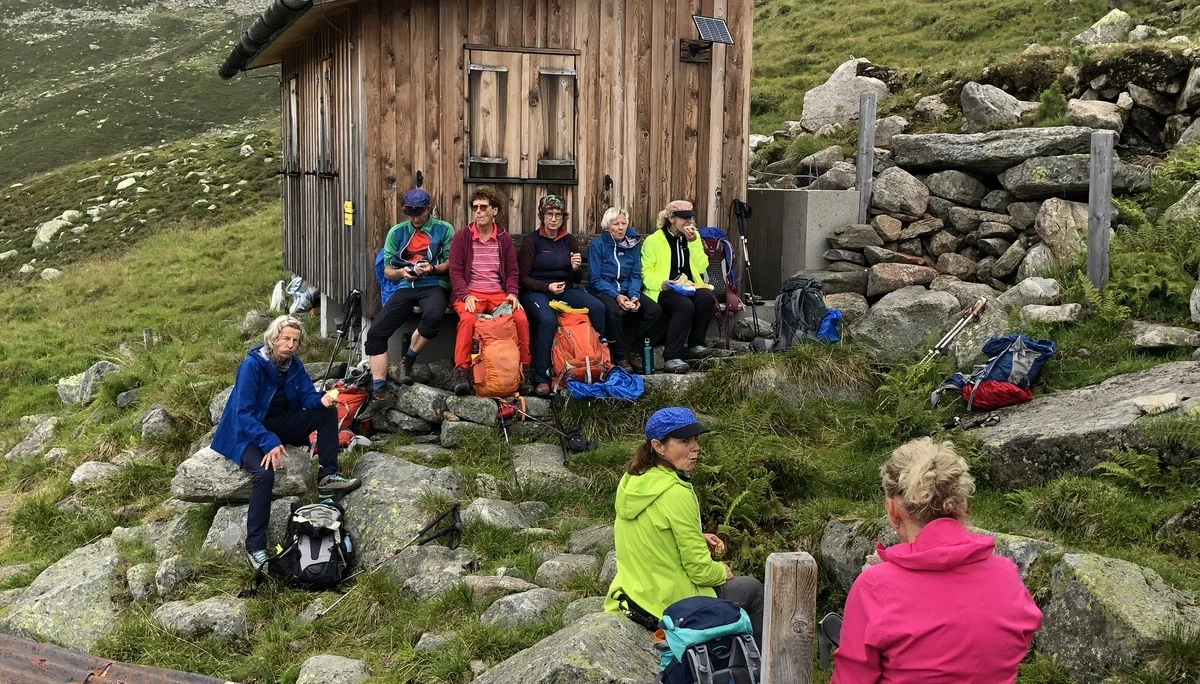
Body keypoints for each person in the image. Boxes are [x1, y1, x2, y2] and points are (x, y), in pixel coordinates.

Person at [831, 438, 1042, 684]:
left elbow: (851, 679)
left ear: (893, 509)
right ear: (962, 504)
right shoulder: (1006, 575)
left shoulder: (874, 586)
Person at [211, 315, 362, 571]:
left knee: (326, 412)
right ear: (273, 338)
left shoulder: (293, 365)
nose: (290, 344)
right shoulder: (252, 365)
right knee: (264, 474)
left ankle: (327, 477)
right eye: (285, 339)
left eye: (295, 340)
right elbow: (243, 413)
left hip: (277, 425)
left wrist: (321, 400)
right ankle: (255, 546)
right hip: (246, 432)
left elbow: (306, 395)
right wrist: (268, 441)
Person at [605, 407, 764, 646]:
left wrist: (696, 536)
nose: (696, 447)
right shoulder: (676, 493)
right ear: (659, 446)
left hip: (632, 596)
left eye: (695, 439)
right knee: (752, 588)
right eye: (684, 440)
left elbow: (654, 531)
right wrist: (721, 571)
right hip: (669, 603)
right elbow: (699, 570)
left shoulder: (633, 481)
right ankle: (757, 669)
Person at [360, 188, 454, 419]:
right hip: (406, 285)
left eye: (418, 213)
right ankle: (380, 391)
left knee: (433, 316)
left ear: (428, 209)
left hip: (434, 283)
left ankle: (407, 360)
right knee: (376, 333)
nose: (414, 218)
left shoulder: (444, 229)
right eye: (410, 214)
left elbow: (451, 262)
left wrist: (431, 268)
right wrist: (403, 272)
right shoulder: (397, 232)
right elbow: (388, 270)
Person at [518, 195, 606, 395]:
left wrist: (575, 268)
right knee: (547, 321)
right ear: (542, 216)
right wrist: (546, 287)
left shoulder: (569, 240)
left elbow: (576, 279)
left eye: (558, 215)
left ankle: (598, 362)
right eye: (549, 214)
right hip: (536, 291)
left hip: (564, 290)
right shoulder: (532, 241)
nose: (553, 219)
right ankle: (541, 377)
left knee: (598, 307)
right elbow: (522, 278)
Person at [448, 185, 531, 396]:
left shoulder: (503, 238)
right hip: (471, 292)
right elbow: (455, 271)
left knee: (520, 319)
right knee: (467, 320)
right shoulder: (462, 237)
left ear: (494, 210)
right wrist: (465, 295)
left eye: (483, 207)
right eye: (475, 207)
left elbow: (512, 271)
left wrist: (512, 293)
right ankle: (462, 372)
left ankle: (523, 371)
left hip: (498, 294)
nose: (478, 211)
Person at [640, 200, 715, 373]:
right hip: (664, 288)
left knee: (706, 298)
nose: (688, 221)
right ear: (672, 218)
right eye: (684, 218)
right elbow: (646, 272)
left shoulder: (692, 237)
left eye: (690, 217)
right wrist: (661, 283)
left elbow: (703, 266)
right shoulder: (654, 241)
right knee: (684, 306)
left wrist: (694, 242)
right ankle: (672, 356)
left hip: (688, 285)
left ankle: (696, 344)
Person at [588, 207, 662, 373]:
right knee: (612, 311)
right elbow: (595, 279)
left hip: (628, 290)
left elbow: (636, 274)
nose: (621, 227)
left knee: (654, 310)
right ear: (608, 226)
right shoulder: (597, 245)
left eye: (624, 223)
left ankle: (635, 351)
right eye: (616, 224)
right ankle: (620, 356)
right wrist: (617, 296)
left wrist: (634, 296)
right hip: (604, 290)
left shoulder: (632, 244)